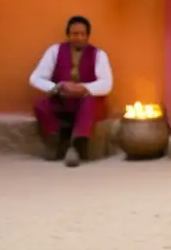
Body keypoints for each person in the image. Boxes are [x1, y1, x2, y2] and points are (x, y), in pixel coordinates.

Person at [29, 15, 113, 167]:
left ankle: (75, 147)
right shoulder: (54, 51)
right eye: (75, 34)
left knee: (89, 102)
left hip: (86, 101)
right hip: (62, 99)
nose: (79, 37)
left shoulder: (99, 55)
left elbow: (107, 84)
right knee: (41, 105)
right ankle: (56, 141)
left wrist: (84, 88)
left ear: (88, 36)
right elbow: (35, 78)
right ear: (68, 35)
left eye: (82, 34)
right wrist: (57, 87)